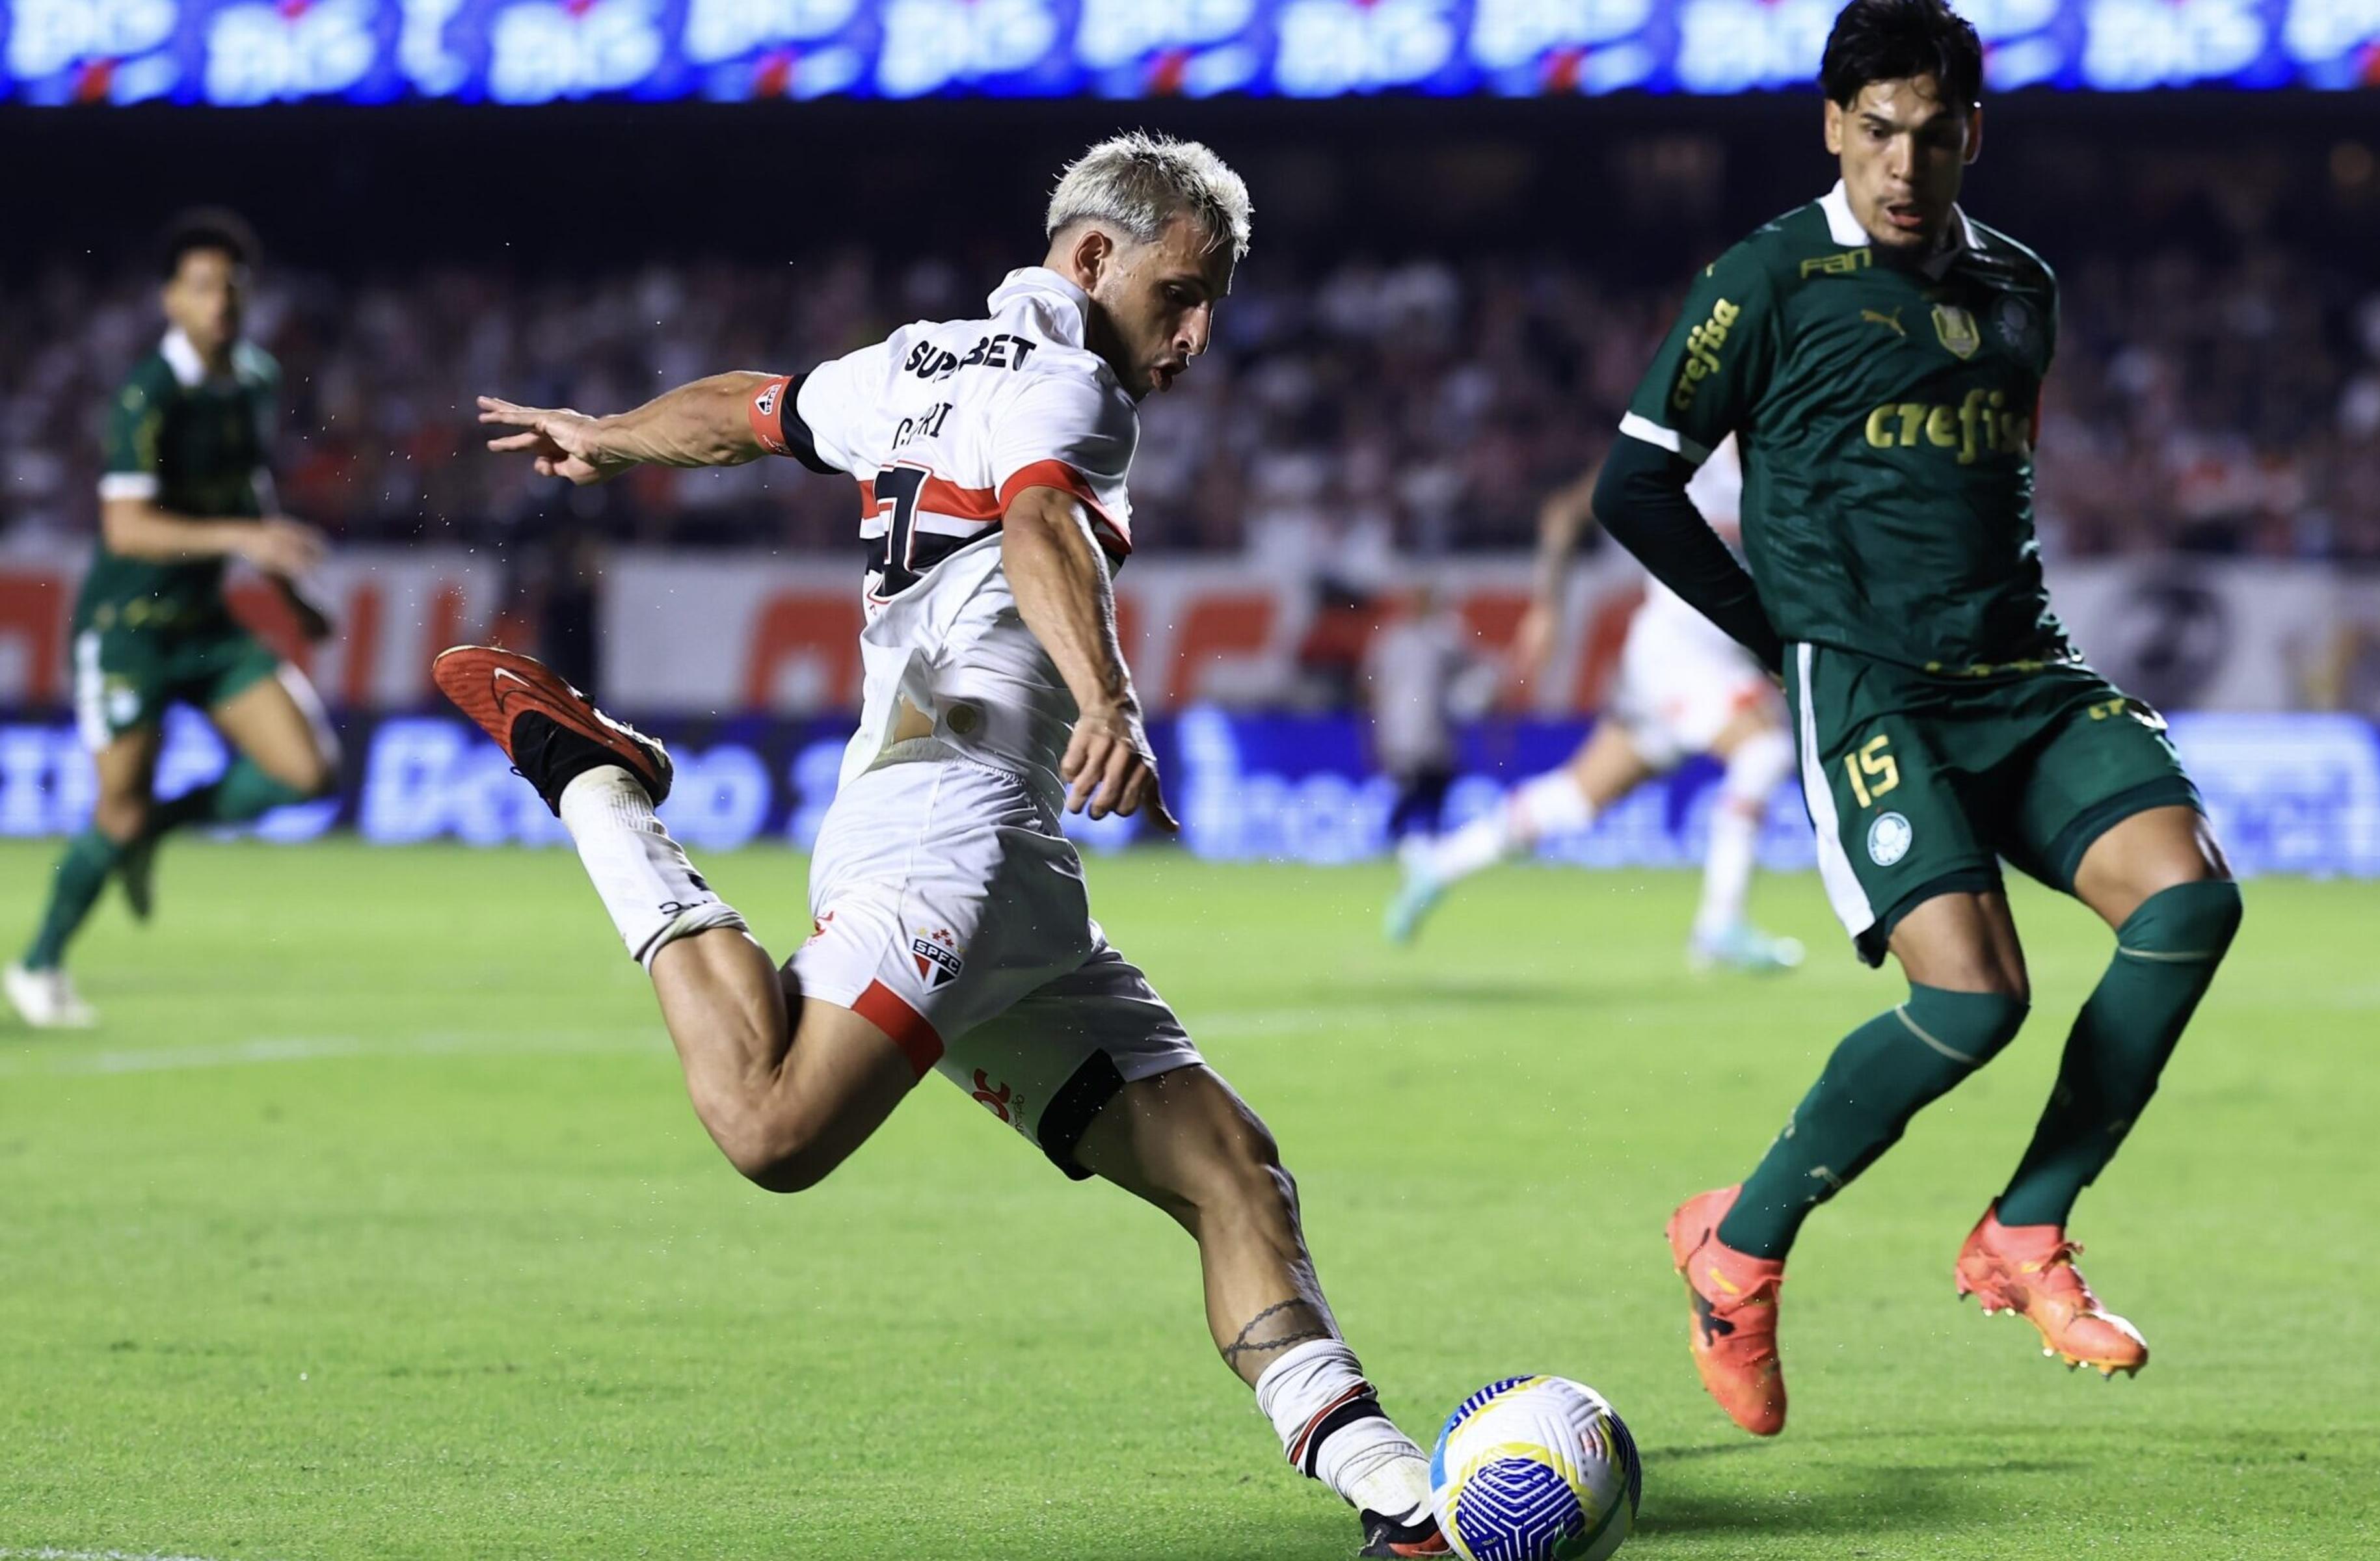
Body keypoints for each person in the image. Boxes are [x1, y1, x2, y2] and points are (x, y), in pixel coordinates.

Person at [436, 135, 1448, 1558]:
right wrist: (1108, 697)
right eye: (1184, 290)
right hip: (944, 839)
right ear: (1094, 259)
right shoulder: (1076, 390)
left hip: (1010, 868)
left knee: (1234, 1171)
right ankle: (601, 792)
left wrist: (606, 437)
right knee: (771, 1126)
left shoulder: (916, 364)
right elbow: (1038, 521)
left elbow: (751, 408)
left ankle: (1400, 1503)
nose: (1200, 330)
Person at [1594, 0, 2243, 1436]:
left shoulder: (2022, 285)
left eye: (1933, 134)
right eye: (1876, 130)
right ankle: (1739, 1249)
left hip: (2022, 669)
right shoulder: (1764, 279)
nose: (1903, 162)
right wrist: (1782, 629)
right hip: (1872, 682)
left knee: (2190, 903)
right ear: (1834, 127)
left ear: (1972, 136)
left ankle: (2025, 1233)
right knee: (1977, 1001)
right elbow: (1631, 486)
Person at [7, 210, 337, 1030]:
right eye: (201, 287)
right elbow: (127, 528)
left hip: (207, 625)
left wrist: (289, 594)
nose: (219, 302)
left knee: (309, 771)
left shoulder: (255, 378)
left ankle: (151, 830)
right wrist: (243, 537)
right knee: (114, 806)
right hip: (129, 632)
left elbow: (247, 488)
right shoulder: (146, 394)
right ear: (170, 301)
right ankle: (39, 965)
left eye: (231, 286)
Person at [1384, 441, 1804, 972]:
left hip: (1714, 659)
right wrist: (1547, 608)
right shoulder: (1690, 444)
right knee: (1764, 751)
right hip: (1677, 654)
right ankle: (1718, 925)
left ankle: (1442, 862)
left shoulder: (1793, 463)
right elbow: (1564, 510)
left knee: (1579, 797)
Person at [1363, 581, 1496, 861]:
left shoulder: (1445, 637)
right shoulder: (1394, 639)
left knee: (1437, 785)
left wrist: (1474, 699)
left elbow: (1476, 673)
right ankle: (1393, 838)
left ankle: (1424, 841)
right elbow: (1370, 685)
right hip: (1400, 729)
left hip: (1436, 731)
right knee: (1411, 786)